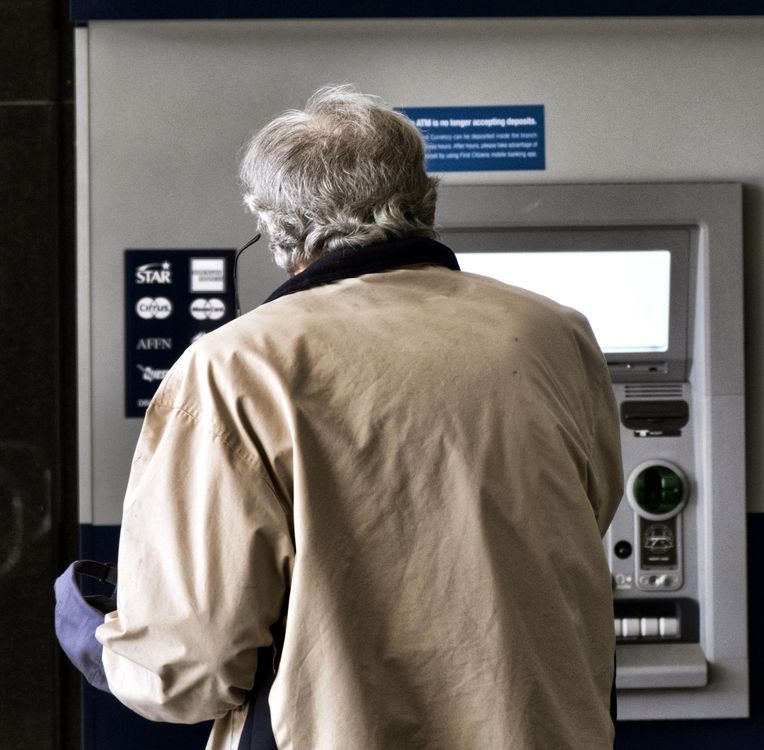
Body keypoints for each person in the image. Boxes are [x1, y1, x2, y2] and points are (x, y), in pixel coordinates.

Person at [59, 85, 624, 749]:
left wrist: (90, 631)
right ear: (428, 199)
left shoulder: (236, 366)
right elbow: (583, 517)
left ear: (271, 226)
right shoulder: (553, 332)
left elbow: (190, 669)